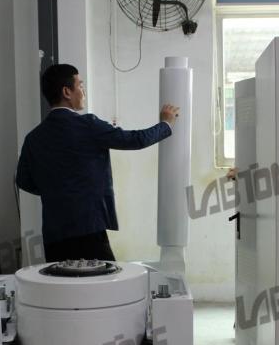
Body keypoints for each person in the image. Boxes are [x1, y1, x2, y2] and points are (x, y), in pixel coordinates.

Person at [16, 63, 179, 262]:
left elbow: (23, 180)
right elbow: (135, 140)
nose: (83, 91)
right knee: (104, 279)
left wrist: (55, 191)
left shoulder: (33, 138)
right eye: (80, 85)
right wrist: (166, 124)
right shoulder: (88, 125)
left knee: (61, 280)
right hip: (88, 227)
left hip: (54, 233)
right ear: (67, 92)